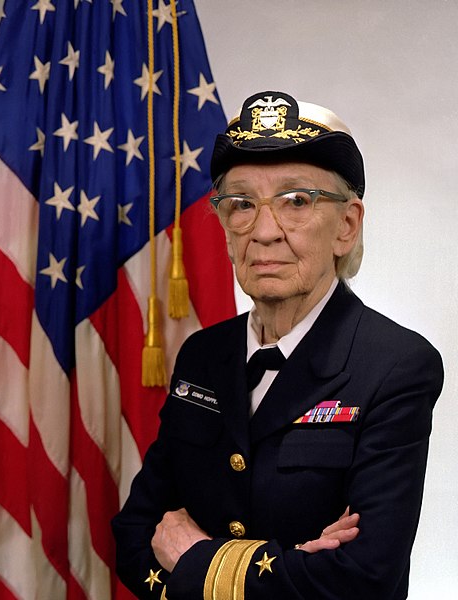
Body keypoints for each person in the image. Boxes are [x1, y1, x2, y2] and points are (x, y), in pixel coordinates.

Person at [112, 91, 444, 600]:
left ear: (347, 226)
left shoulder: (395, 366)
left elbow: (362, 579)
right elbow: (134, 538)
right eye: (241, 204)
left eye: (297, 201)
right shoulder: (203, 356)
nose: (264, 232)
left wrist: (196, 559)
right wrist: (290, 568)